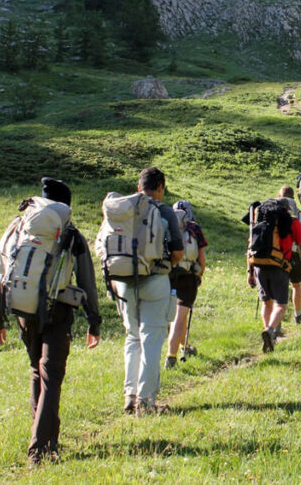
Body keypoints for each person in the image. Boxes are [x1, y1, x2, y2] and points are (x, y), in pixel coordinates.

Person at [0, 177, 102, 466]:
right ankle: (39, 449)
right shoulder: (70, 233)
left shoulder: (18, 227)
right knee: (52, 376)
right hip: (58, 311)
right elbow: (87, 280)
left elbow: (3, 272)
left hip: (23, 311)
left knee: (35, 371)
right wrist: (94, 321)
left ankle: (46, 440)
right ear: (66, 206)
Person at [108, 167, 184, 416]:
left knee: (132, 337)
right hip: (154, 279)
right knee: (151, 337)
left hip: (124, 281)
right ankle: (147, 401)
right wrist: (164, 265)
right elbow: (177, 252)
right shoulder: (163, 210)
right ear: (160, 186)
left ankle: (129, 396)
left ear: (138, 186)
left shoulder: (123, 209)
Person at [244, 197, 301, 353]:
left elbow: (249, 248)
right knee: (281, 305)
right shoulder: (292, 222)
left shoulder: (261, 223)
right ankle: (270, 330)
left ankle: (269, 334)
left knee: (266, 303)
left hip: (259, 267)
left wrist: (250, 272)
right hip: (279, 267)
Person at [165, 200, 207, 369]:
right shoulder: (194, 228)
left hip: (166, 273)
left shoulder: (165, 224)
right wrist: (199, 274)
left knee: (173, 316)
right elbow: (201, 257)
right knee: (180, 316)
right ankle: (171, 357)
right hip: (188, 275)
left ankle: (184, 347)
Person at [278, 186, 301, 325]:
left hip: (275, 255)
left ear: (279, 196)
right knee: (296, 285)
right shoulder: (297, 214)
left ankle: (276, 322)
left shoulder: (272, 212)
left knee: (278, 287)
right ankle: (298, 315)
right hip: (293, 254)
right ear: (293, 198)